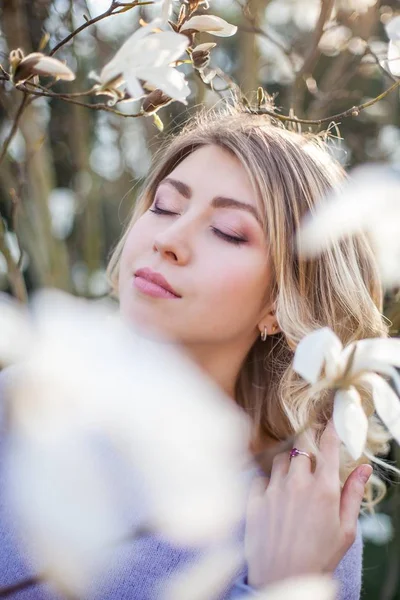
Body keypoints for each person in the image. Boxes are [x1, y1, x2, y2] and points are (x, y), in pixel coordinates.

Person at [0, 97, 392, 599]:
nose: (170, 238)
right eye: (164, 205)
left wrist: (282, 587)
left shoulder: (298, 514)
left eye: (228, 233)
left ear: (280, 302)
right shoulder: (21, 406)